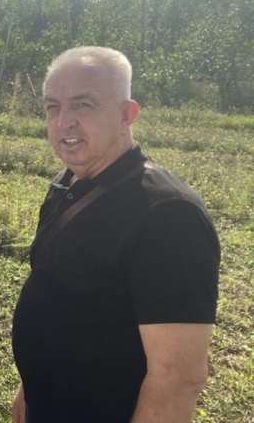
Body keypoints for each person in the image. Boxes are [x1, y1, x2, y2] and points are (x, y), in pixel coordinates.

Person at [11, 46, 221, 423]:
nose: (64, 121)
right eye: (53, 107)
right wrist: (30, 389)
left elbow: (178, 379)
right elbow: (54, 295)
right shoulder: (69, 183)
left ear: (126, 114)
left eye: (83, 104)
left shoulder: (167, 215)